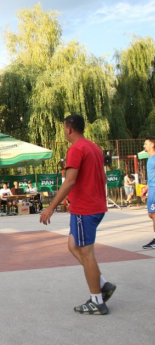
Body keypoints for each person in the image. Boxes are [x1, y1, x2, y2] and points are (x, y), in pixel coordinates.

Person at [40, 114, 115, 315]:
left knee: (86, 253)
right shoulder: (93, 147)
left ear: (69, 129)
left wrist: (51, 207)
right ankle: (102, 284)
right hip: (96, 206)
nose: (64, 131)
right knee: (73, 245)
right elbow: (104, 178)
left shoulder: (76, 149)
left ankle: (97, 301)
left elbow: (70, 181)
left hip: (85, 208)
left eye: (64, 128)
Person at [142, 136, 155, 249]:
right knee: (151, 215)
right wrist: (147, 187)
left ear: (152, 145)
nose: (144, 145)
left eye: (146, 143)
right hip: (151, 188)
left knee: (154, 214)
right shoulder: (149, 159)